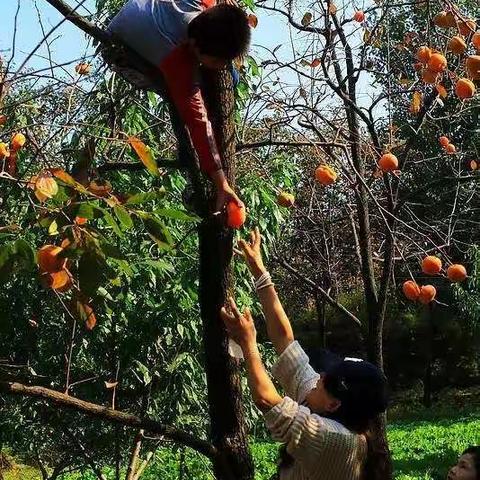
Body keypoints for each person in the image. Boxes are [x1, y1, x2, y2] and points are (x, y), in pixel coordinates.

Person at [220, 227, 389, 480]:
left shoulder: (336, 440)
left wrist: (249, 343)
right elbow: (285, 341)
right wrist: (259, 271)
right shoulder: (326, 402)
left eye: (325, 380)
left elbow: (267, 400)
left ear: (334, 404)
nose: (318, 376)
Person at [107, 0, 250, 211]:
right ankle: (191, 174)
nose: (222, 64)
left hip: (140, 16)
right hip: (121, 55)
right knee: (222, 83)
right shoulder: (179, 64)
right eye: (217, 60)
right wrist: (222, 183)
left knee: (230, 76)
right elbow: (198, 122)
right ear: (194, 47)